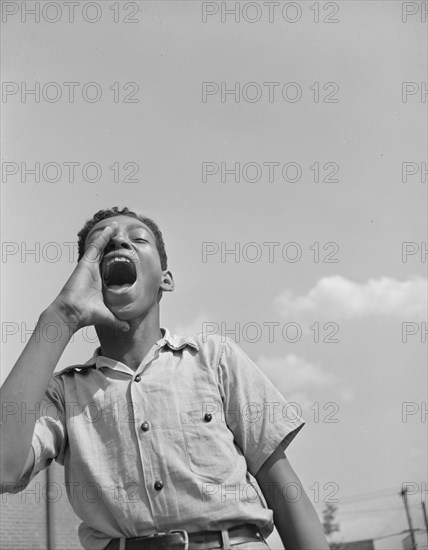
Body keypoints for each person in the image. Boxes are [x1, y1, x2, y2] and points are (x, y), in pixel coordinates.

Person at [0, 207, 329, 550]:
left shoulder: (215, 359)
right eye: (101, 246)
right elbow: (3, 467)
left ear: (165, 279)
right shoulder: (63, 394)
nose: (120, 243)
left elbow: (283, 487)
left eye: (137, 239)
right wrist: (62, 316)